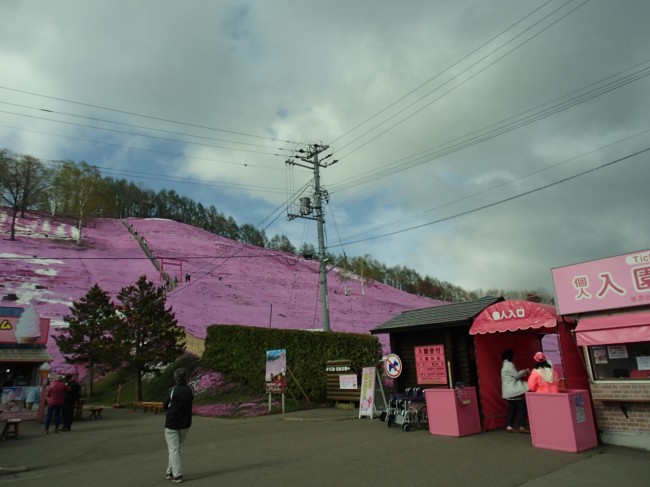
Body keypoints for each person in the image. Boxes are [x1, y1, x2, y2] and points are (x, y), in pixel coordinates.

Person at [163, 367, 194, 484]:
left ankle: (177, 475)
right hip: (185, 423)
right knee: (177, 448)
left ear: (175, 378)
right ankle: (170, 471)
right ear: (186, 377)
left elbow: (165, 404)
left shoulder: (172, 390)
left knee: (174, 449)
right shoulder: (191, 389)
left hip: (172, 423)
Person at [501, 349, 530, 434]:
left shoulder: (505, 364)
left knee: (512, 408)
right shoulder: (509, 364)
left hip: (508, 391)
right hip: (514, 391)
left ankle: (509, 426)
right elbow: (516, 375)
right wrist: (525, 371)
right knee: (522, 407)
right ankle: (522, 426)